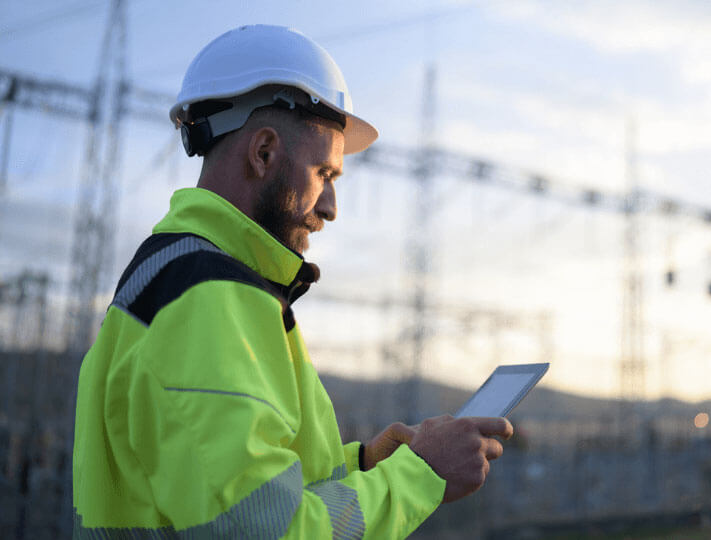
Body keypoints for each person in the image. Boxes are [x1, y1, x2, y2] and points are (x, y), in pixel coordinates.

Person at [72, 24, 513, 539]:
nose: (330, 207)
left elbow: (247, 492)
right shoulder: (205, 299)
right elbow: (266, 530)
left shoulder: (198, 278)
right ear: (263, 153)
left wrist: (367, 465)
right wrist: (420, 474)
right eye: (324, 174)